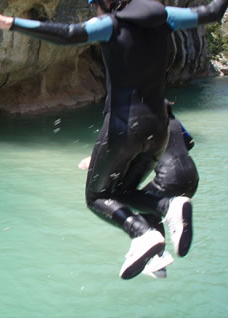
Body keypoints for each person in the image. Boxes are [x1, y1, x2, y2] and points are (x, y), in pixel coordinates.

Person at [0, 0, 228, 279]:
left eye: (96, 6)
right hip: (158, 130)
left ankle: (147, 230)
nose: (96, 11)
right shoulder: (164, 16)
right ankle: (161, 223)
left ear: (104, 1)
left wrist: (9, 23)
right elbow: (213, 12)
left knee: (97, 197)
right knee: (122, 191)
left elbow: (68, 34)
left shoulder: (110, 24)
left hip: (124, 125)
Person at [78, 100, 200, 278]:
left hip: (170, 177)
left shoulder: (148, 122)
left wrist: (95, 160)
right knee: (148, 209)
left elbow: (132, 146)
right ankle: (159, 254)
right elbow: (189, 143)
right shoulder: (174, 122)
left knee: (126, 199)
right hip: (191, 178)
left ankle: (158, 255)